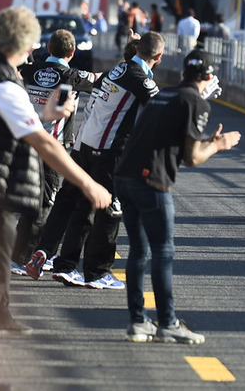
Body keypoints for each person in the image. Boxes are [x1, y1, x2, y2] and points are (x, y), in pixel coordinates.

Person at [0, 6, 111, 391]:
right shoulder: (1, 83)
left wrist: (47, 112)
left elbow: (8, 119)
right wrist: (88, 184)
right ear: (25, 43)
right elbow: (44, 143)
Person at [114, 49, 240, 344]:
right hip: (151, 181)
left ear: (184, 73)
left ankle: (137, 322)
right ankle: (168, 322)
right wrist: (218, 145)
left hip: (124, 175)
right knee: (163, 252)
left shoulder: (163, 94)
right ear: (209, 78)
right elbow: (192, 157)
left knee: (138, 251)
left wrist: (205, 142)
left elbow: (172, 138)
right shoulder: (196, 101)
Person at [43, 32, 163, 289]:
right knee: (109, 210)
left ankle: (65, 265)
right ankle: (97, 272)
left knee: (81, 208)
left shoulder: (119, 69)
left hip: (85, 145)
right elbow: (162, 110)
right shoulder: (139, 78)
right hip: (109, 152)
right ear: (159, 56)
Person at [13, 30, 101, 274]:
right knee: (43, 202)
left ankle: (20, 252)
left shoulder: (30, 70)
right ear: (72, 53)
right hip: (52, 147)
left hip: (25, 141)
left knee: (26, 198)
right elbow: (105, 80)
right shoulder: (72, 75)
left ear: (48, 49)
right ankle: (24, 256)